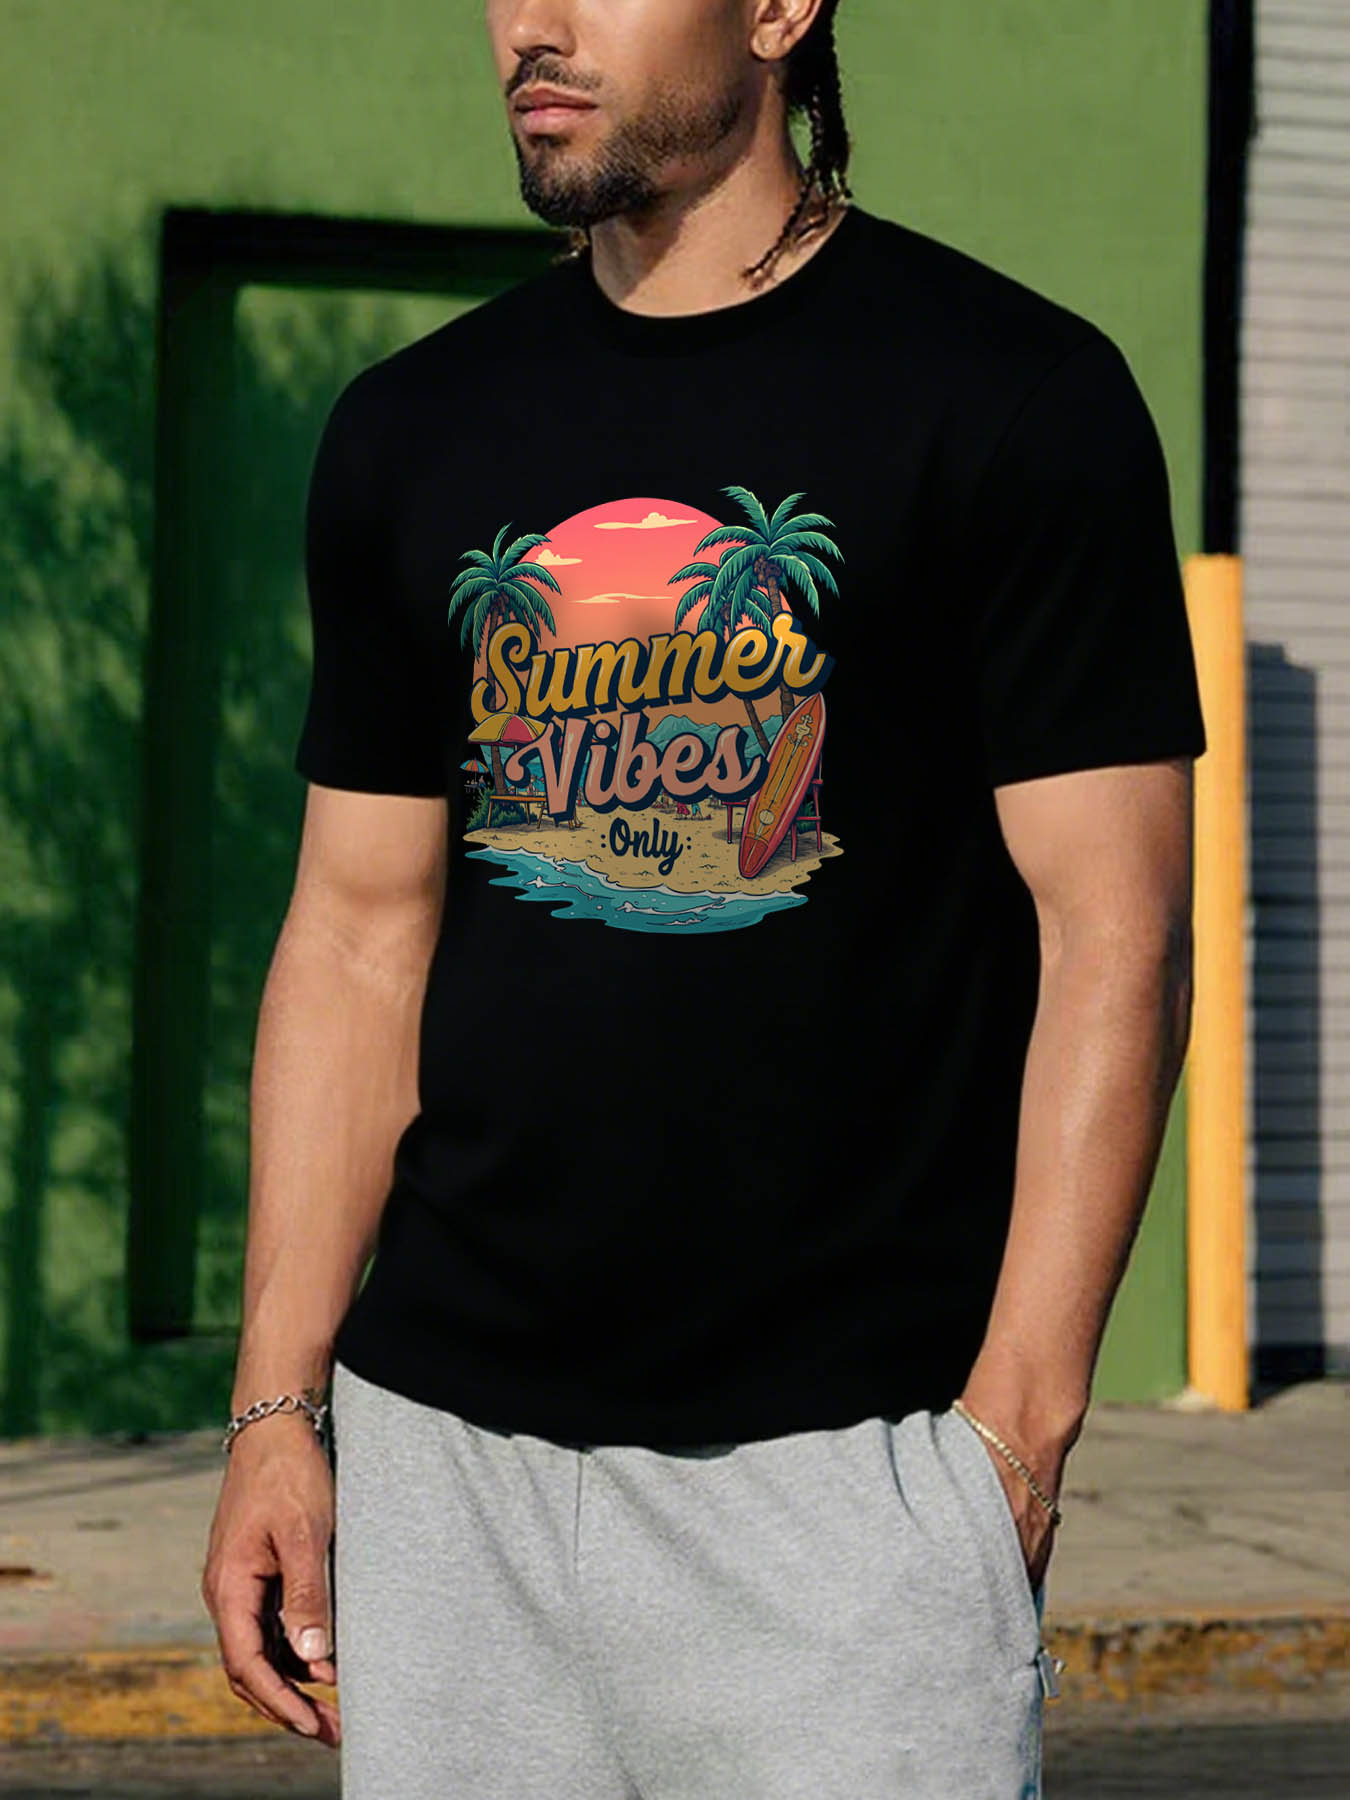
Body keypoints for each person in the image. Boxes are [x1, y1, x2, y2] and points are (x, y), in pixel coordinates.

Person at [200, 2, 1207, 1795]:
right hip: (444, 1476)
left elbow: (1113, 939)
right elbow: (355, 937)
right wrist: (278, 1408)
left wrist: (1012, 1442)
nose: (530, 25)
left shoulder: (1010, 392)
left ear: (777, 8)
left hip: (849, 1492)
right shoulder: (411, 426)